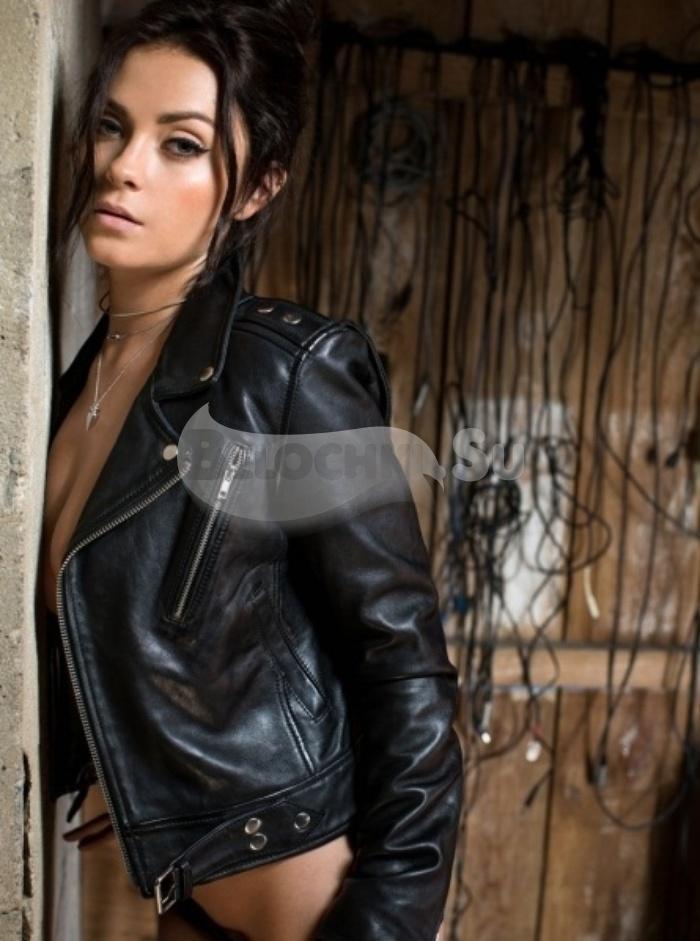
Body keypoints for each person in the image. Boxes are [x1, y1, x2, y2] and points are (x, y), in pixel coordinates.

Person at [41, 2, 464, 939]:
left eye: (181, 145)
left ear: (257, 187)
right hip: (190, 898)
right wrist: (145, 761)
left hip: (320, 907)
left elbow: (405, 666)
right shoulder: (81, 383)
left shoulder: (290, 371)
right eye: (112, 125)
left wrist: (390, 920)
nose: (124, 166)